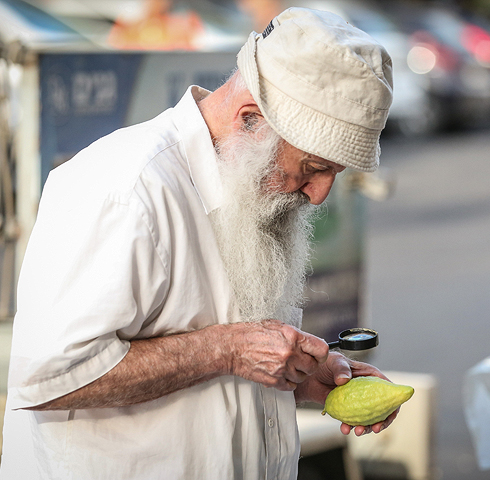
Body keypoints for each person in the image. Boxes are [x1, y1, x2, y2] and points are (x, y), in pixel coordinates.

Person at [0, 7, 394, 479]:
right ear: (250, 120)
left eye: (334, 173)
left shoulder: (252, 187)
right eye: (313, 168)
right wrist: (224, 350)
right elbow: (46, 377)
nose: (319, 194)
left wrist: (301, 377)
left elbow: (226, 368)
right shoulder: (127, 188)